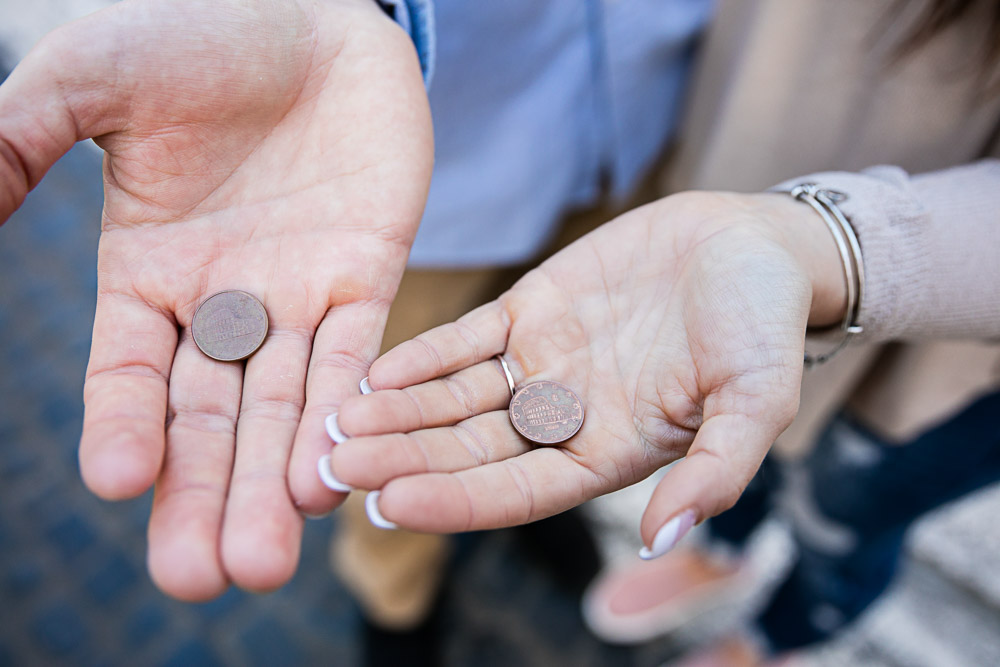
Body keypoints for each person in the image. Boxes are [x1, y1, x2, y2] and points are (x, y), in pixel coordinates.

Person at [322, 0, 1000, 663]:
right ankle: (394, 598)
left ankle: (564, 519)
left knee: (803, 469)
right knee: (406, 425)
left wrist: (814, 242)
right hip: (447, 170)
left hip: (642, 137)